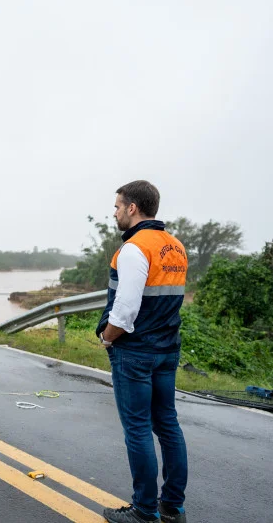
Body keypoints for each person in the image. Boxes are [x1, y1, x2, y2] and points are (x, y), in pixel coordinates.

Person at [97, 181, 189, 523]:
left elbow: (126, 308)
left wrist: (108, 337)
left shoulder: (135, 248)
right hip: (167, 350)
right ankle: (172, 507)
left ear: (133, 207)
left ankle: (144, 511)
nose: (115, 212)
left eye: (118, 206)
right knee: (167, 424)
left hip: (135, 352)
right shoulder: (175, 246)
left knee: (137, 428)